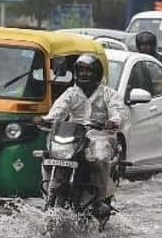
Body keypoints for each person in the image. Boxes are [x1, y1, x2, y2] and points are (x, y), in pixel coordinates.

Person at [37, 54, 127, 209]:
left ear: (97, 73)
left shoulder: (108, 94)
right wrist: (46, 119)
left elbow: (119, 114)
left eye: (88, 71)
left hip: (100, 136)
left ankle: (99, 199)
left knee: (99, 158)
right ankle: (50, 192)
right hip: (74, 136)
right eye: (81, 70)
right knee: (49, 155)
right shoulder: (71, 93)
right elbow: (59, 110)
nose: (84, 74)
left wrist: (111, 122)